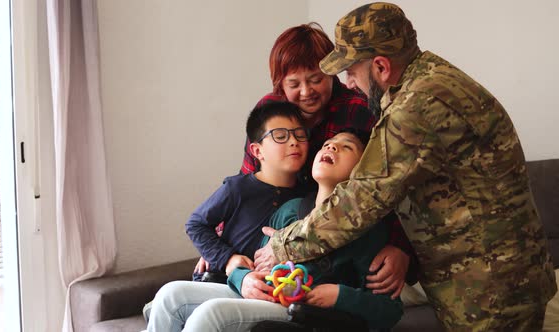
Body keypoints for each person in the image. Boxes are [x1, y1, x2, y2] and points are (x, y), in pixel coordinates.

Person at [254, 3, 557, 331]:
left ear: (381, 66)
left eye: (352, 73)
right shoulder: (433, 76)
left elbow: (362, 198)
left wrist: (284, 245)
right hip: (499, 278)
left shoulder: (415, 108)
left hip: (490, 288)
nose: (351, 85)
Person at [196, 22, 416, 297]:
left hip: (345, 227)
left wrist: (400, 247)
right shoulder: (270, 115)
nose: (306, 92)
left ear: (332, 74)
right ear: (279, 85)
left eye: (315, 80)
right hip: (282, 230)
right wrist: (220, 251)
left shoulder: (359, 109)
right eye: (293, 84)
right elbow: (253, 183)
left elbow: (393, 184)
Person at [148, 130, 403, 332]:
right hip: (265, 293)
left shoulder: (369, 231)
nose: (331, 147)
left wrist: (339, 296)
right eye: (327, 143)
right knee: (171, 295)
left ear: (363, 170)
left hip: (306, 312)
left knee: (211, 314)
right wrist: (243, 279)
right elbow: (255, 264)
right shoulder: (292, 209)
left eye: (346, 146)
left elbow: (389, 312)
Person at [186, 101, 309, 280]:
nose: (293, 142)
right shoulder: (238, 188)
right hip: (222, 281)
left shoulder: (307, 196)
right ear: (257, 151)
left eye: (300, 135)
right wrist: (226, 258)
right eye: (280, 136)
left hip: (273, 289)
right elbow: (196, 224)